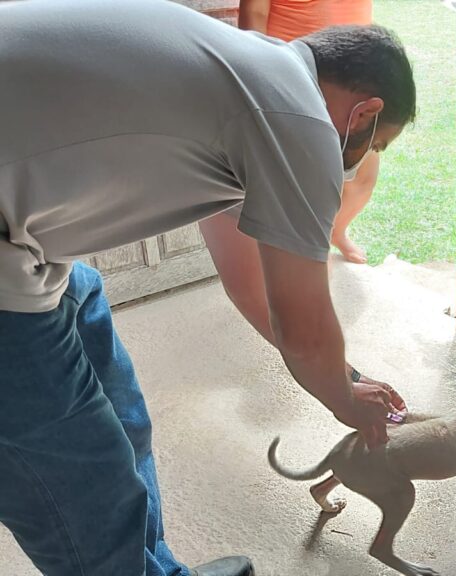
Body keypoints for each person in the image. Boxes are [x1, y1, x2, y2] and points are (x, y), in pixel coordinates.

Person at [0, 1, 415, 575]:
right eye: (376, 143)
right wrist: (347, 403)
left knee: (121, 414)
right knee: (83, 484)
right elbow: (304, 332)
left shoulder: (249, 80)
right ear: (365, 112)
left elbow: (253, 288)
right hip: (8, 266)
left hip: (29, 244)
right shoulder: (301, 122)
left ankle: (154, 567)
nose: (360, 160)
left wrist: (345, 378)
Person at [238, 0, 380, 264]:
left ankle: (336, 232)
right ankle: (305, 255)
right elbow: (253, 12)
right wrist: (259, 81)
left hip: (357, 75)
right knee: (302, 182)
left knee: (364, 174)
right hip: (294, 76)